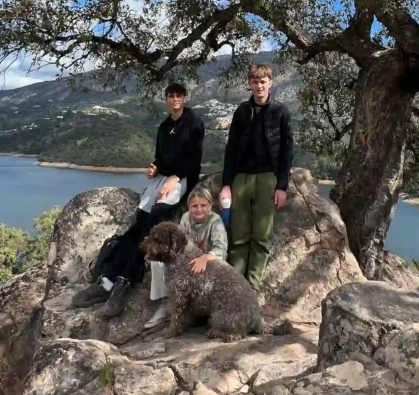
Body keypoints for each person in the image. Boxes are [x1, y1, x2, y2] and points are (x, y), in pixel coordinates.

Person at [72, 81, 204, 317]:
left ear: (184, 99)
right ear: (166, 99)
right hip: (161, 178)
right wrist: (154, 169)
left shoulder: (194, 123)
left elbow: (195, 160)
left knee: (152, 227)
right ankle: (106, 283)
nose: (175, 99)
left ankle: (124, 285)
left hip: (180, 179)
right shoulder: (164, 126)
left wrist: (177, 179)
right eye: (171, 95)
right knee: (136, 226)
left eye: (179, 96)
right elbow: (160, 157)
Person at [219, 63, 293, 293]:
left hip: (267, 178)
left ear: (271, 83)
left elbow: (287, 152)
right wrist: (226, 185)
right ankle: (234, 288)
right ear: (249, 84)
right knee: (238, 236)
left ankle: (251, 289)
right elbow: (231, 149)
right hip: (242, 177)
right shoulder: (242, 111)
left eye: (263, 81)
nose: (259, 85)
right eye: (255, 82)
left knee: (261, 237)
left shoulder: (281, 112)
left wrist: (282, 186)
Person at [180, 185, 229, 273]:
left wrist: (205, 258)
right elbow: (180, 242)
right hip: (190, 260)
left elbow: (221, 249)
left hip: (211, 263)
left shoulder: (215, 220)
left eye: (203, 205)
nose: (199, 209)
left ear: (210, 206)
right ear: (188, 206)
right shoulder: (186, 217)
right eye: (194, 206)